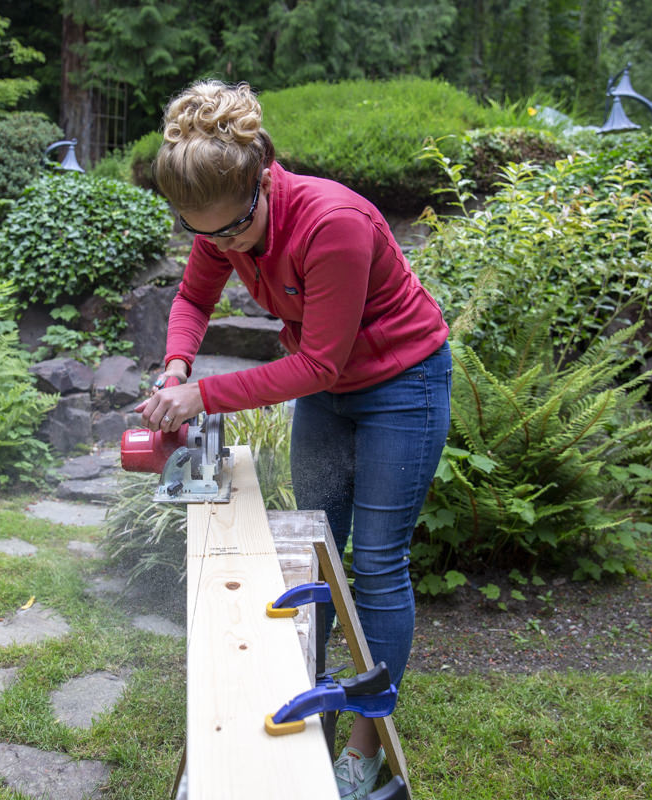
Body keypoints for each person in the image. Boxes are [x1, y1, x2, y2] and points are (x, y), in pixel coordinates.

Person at [135, 80, 451, 800]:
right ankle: (305, 713)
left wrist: (203, 393)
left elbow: (318, 362)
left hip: (402, 385)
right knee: (314, 551)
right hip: (330, 388)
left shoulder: (330, 223)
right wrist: (178, 360)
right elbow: (192, 297)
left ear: (262, 180)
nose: (219, 246)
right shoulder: (224, 217)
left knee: (372, 566)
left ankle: (362, 751)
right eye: (200, 233)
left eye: (232, 231)